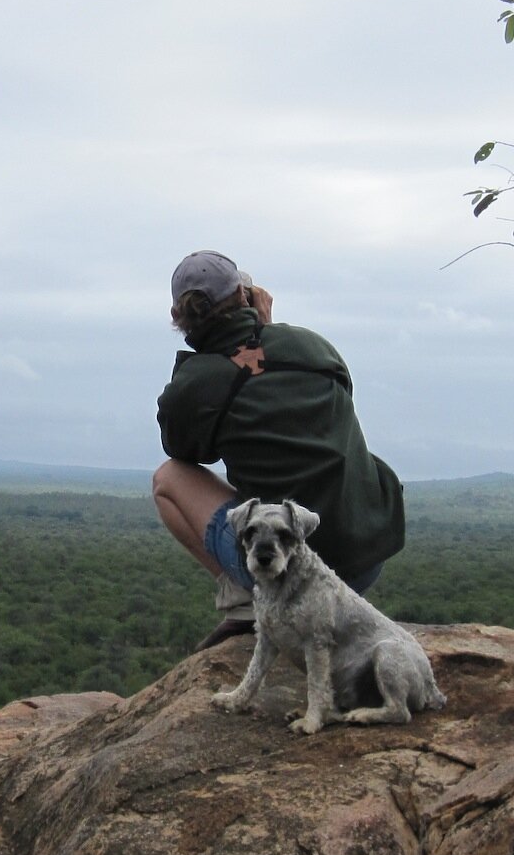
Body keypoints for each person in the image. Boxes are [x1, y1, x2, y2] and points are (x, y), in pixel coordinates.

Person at [153, 250, 406, 648]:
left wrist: (207, 366)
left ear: (179, 318)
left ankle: (244, 599)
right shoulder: (313, 346)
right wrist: (266, 332)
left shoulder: (196, 384)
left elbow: (182, 448)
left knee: (168, 478)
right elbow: (306, 409)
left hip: (290, 570)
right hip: (364, 556)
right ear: (246, 295)